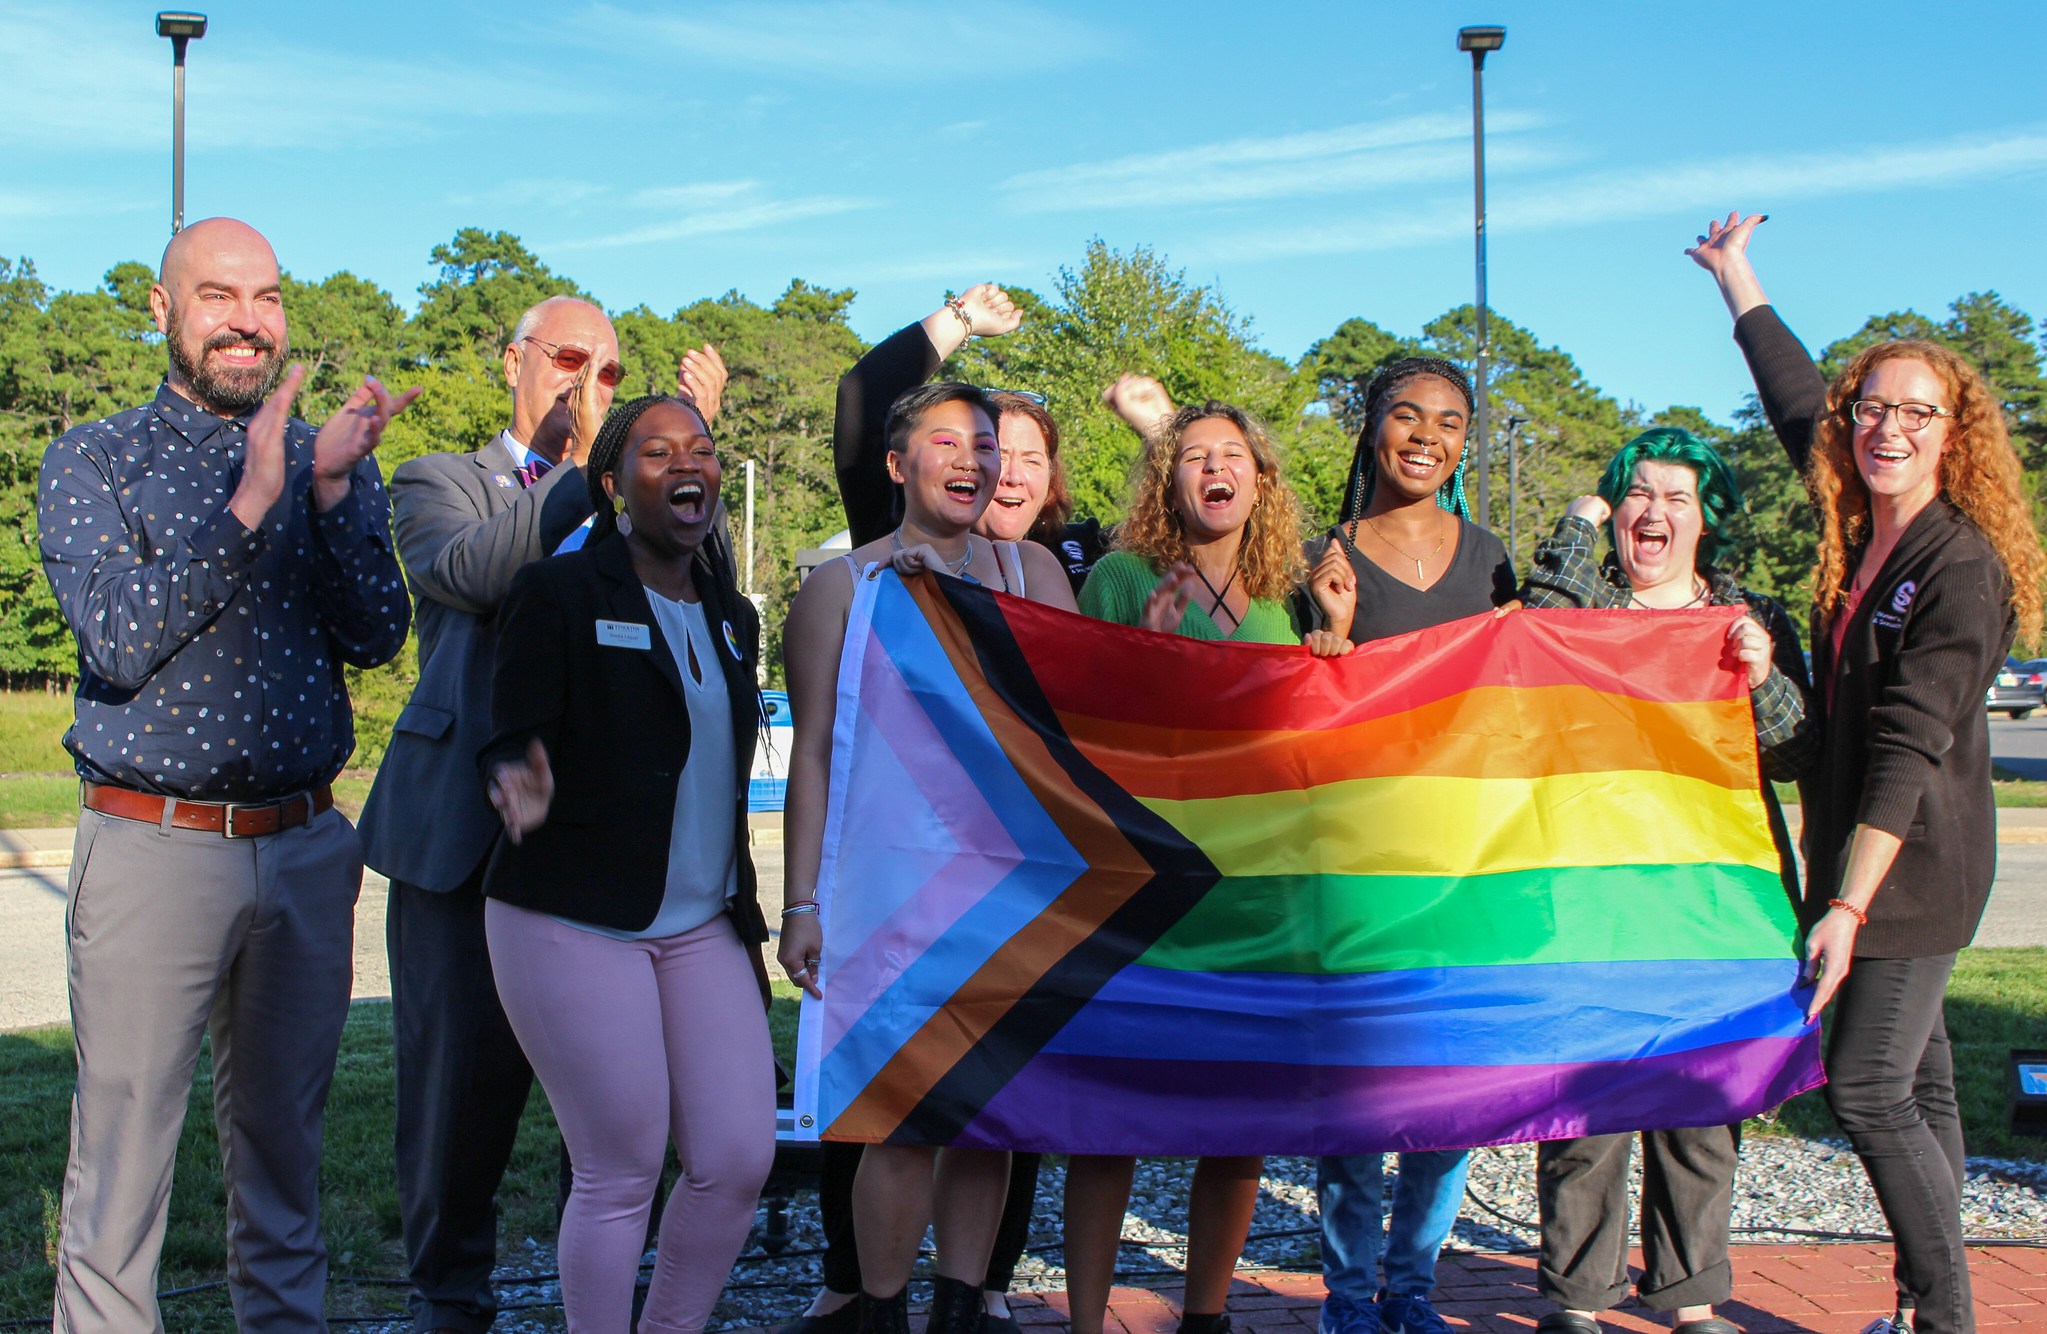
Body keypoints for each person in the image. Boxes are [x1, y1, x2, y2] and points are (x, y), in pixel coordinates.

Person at [36, 216, 416, 1334]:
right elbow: (112, 636)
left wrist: (336, 496)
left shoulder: (326, 456)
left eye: (266, 297)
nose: (247, 320)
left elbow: (378, 628)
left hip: (302, 847)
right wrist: (252, 503)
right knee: (120, 1175)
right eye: (216, 295)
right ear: (162, 310)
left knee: (284, 1167)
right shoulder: (95, 458)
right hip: (155, 842)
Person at [1689, 211, 2045, 1334]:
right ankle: (1929, 1306)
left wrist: (1846, 901)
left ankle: (1943, 1319)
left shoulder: (1956, 563)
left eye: (1916, 412)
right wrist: (1737, 279)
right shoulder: (1861, 524)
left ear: (1956, 435)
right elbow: (1798, 400)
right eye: (1872, 408)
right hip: (1863, 853)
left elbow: (1911, 742)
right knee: (1923, 1086)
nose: (1886, 428)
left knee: (1867, 1087)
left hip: (1914, 867)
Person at [358, 296, 724, 1334]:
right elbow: (472, 573)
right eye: (568, 360)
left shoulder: (626, 493)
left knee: (618, 1115)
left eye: (608, 374)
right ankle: (449, 1304)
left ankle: (596, 1306)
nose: (585, 386)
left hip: (609, 848)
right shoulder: (441, 479)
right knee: (454, 1105)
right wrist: (578, 470)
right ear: (508, 359)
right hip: (467, 842)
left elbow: (714, 588)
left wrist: (689, 471)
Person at [782, 383, 1079, 1334]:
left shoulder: (1032, 572)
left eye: (985, 443)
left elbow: (1076, 729)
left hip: (1016, 892)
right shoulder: (842, 587)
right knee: (902, 1115)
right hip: (889, 895)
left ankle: (964, 1308)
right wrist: (800, 903)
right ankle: (877, 1310)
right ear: (894, 463)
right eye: (945, 440)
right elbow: (816, 752)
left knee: (987, 1118)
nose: (972, 458)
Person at [479, 393, 775, 1334]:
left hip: (698, 922)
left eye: (701, 448)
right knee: (621, 1168)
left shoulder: (733, 615)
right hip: (572, 916)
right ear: (612, 484)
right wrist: (514, 771)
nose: (688, 464)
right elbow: (506, 730)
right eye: (657, 452)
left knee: (735, 1158)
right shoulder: (559, 593)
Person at [1519, 427, 1816, 1334]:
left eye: (1676, 498)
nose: (1653, 513)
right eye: (1636, 494)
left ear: (1706, 518)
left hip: (1715, 897)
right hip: (1588, 894)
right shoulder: (1583, 612)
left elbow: (1797, 749)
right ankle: (1576, 1297)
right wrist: (1577, 519)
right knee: (1587, 1104)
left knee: (1700, 1102)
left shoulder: (1749, 614)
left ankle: (1690, 1296)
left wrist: (1761, 676)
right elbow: (1532, 624)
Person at [1069, 398, 1354, 1334]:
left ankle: (1205, 1316)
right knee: (1110, 1123)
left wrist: (1331, 656)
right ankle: (1083, 1322)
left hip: (1254, 901)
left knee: (1238, 1128)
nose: (1213, 468)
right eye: (1193, 456)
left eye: (1233, 454)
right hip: (1143, 886)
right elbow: (1073, 721)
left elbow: (1312, 747)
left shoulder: (1284, 597)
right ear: (1168, 479)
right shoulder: (1120, 575)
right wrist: (1145, 648)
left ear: (1259, 482)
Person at [1309, 356, 1515, 1334]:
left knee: (1448, 1096)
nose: (1426, 435)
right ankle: (1348, 1299)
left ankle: (1413, 1288)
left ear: (1464, 441)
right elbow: (1300, 709)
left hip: (1466, 864)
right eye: (1406, 415)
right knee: (1355, 1100)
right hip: (1357, 869)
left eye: (1448, 420)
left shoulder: (1490, 559)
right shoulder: (1325, 554)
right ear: (1371, 428)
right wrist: (1327, 639)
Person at [834, 283, 1111, 592]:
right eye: (995, 452)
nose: (1014, 477)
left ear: (1051, 479)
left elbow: (1167, 532)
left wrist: (1156, 425)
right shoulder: (900, 541)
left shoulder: (1084, 550)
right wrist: (963, 318)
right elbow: (862, 397)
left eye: (1033, 460)